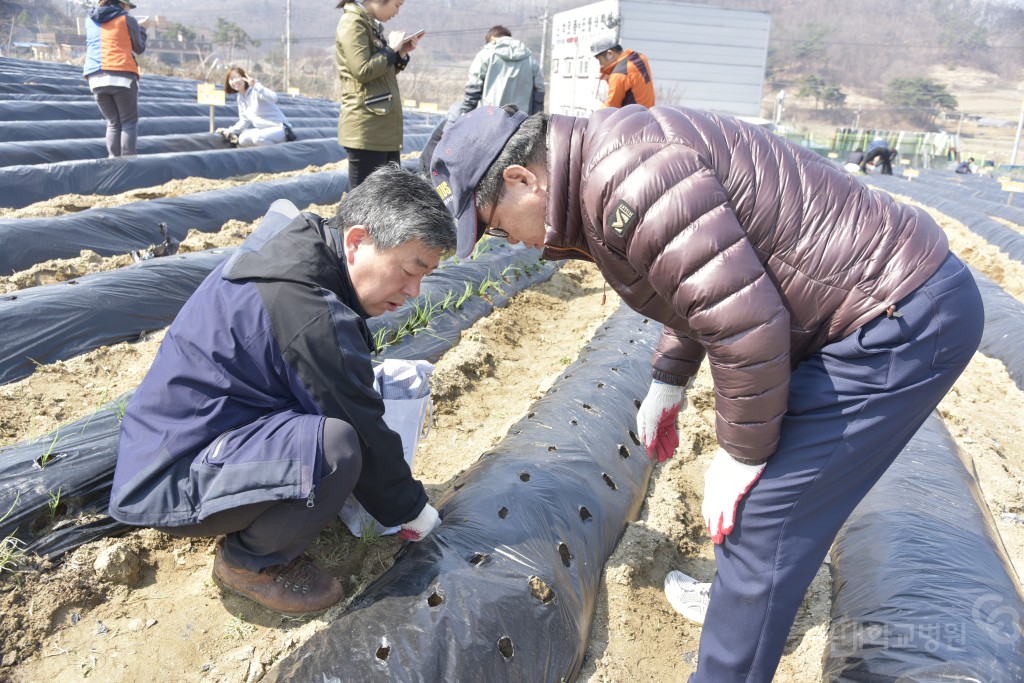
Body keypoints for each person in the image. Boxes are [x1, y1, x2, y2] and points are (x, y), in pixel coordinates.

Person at [428, 104, 983, 682]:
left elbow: (747, 323)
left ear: (523, 178)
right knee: (761, 512)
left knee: (764, 519)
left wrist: (740, 455)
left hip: (896, 320)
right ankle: (738, 608)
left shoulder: (627, 179)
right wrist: (669, 378)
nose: (509, 242)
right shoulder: (609, 164)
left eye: (496, 224)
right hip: (861, 306)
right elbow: (701, 284)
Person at [109, 165, 456, 617]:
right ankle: (248, 564)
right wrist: (416, 513)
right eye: (412, 269)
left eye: (425, 276)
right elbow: (361, 428)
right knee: (337, 449)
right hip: (172, 474)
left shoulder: (303, 247)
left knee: (331, 434)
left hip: (194, 437)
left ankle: (274, 513)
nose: (414, 291)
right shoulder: (307, 309)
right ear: (355, 241)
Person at [335, 0, 423, 188]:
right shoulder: (353, 23)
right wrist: (390, 49)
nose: (397, 12)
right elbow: (363, 70)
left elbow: (379, 76)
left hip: (381, 128)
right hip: (366, 127)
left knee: (386, 199)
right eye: (396, 5)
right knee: (363, 204)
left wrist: (399, 54)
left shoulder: (369, 24)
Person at [82, 0, 148, 158]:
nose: (129, 10)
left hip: (95, 77)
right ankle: (128, 164)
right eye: (128, 6)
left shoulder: (89, 19)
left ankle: (113, 163)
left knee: (112, 123)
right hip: (121, 73)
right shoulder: (127, 19)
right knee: (128, 122)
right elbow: (139, 48)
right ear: (121, 4)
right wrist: (142, 29)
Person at [460, 25, 544, 116]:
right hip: (520, 120)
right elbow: (539, 90)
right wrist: (536, 118)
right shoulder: (530, 58)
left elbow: (473, 87)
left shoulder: (485, 54)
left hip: (490, 116)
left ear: (492, 38)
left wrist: (465, 113)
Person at [214, 67, 295, 148]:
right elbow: (244, 121)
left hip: (279, 128)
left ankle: (279, 155)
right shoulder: (240, 98)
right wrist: (229, 130)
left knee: (258, 138)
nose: (235, 81)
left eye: (237, 77)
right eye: (231, 79)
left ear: (244, 77)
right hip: (263, 130)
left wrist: (256, 85)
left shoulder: (256, 90)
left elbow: (274, 98)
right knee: (242, 140)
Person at [590, 37, 655, 109]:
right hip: (649, 115)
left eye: (600, 60)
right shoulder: (641, 58)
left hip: (633, 118)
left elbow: (611, 108)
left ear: (610, 54)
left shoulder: (618, 75)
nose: (601, 65)